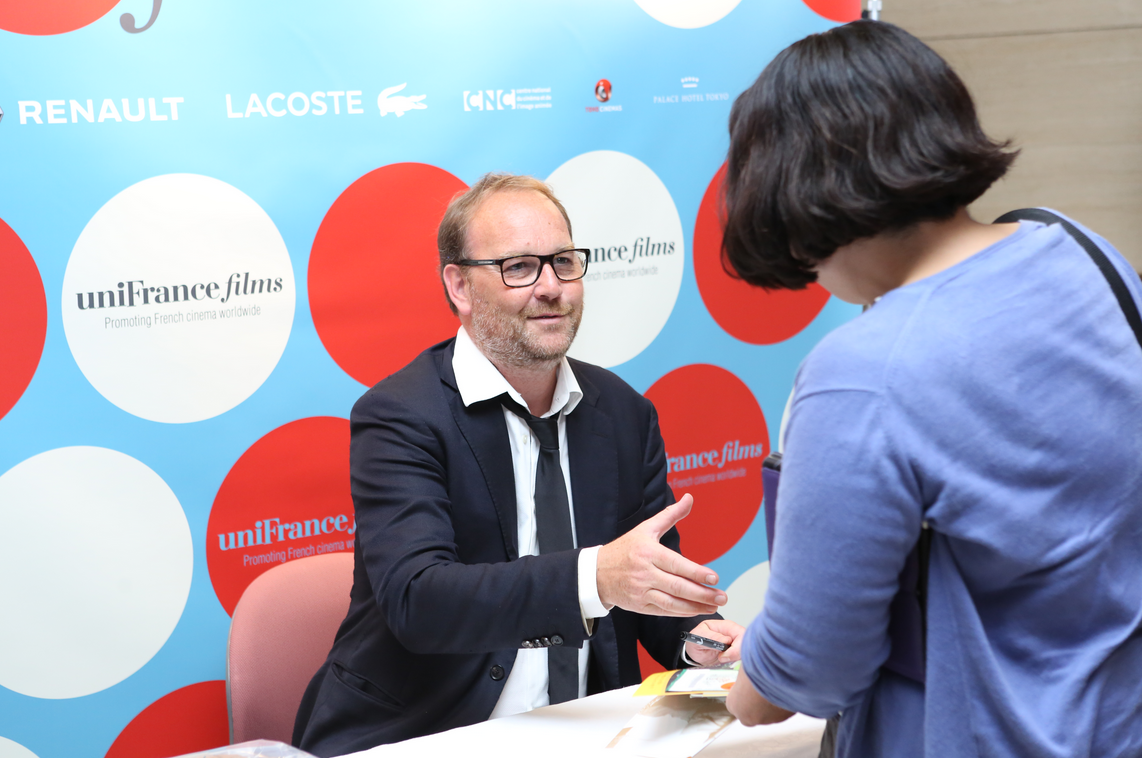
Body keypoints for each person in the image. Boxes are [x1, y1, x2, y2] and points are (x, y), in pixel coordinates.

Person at [720, 20, 1142, 758]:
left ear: (798, 194)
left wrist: (750, 682)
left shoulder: (863, 370)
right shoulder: (1083, 251)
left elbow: (812, 667)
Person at [294, 173, 744, 756]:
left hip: (587, 731)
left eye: (563, 262)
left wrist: (700, 642)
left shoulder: (625, 416)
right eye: (520, 268)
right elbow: (418, 600)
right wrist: (596, 576)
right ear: (458, 285)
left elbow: (647, 593)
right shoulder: (399, 416)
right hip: (429, 732)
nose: (551, 287)